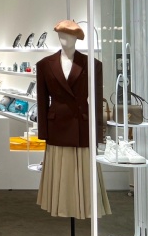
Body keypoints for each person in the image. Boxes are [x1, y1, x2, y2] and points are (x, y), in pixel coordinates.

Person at [36, 20, 110, 219]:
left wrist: (98, 134)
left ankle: (83, 207)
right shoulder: (44, 65)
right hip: (57, 126)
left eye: (69, 34)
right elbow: (42, 101)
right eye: (60, 33)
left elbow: (96, 101)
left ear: (77, 37)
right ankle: (60, 206)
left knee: (82, 172)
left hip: (81, 126)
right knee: (60, 172)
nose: (63, 37)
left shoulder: (92, 65)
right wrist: (43, 132)